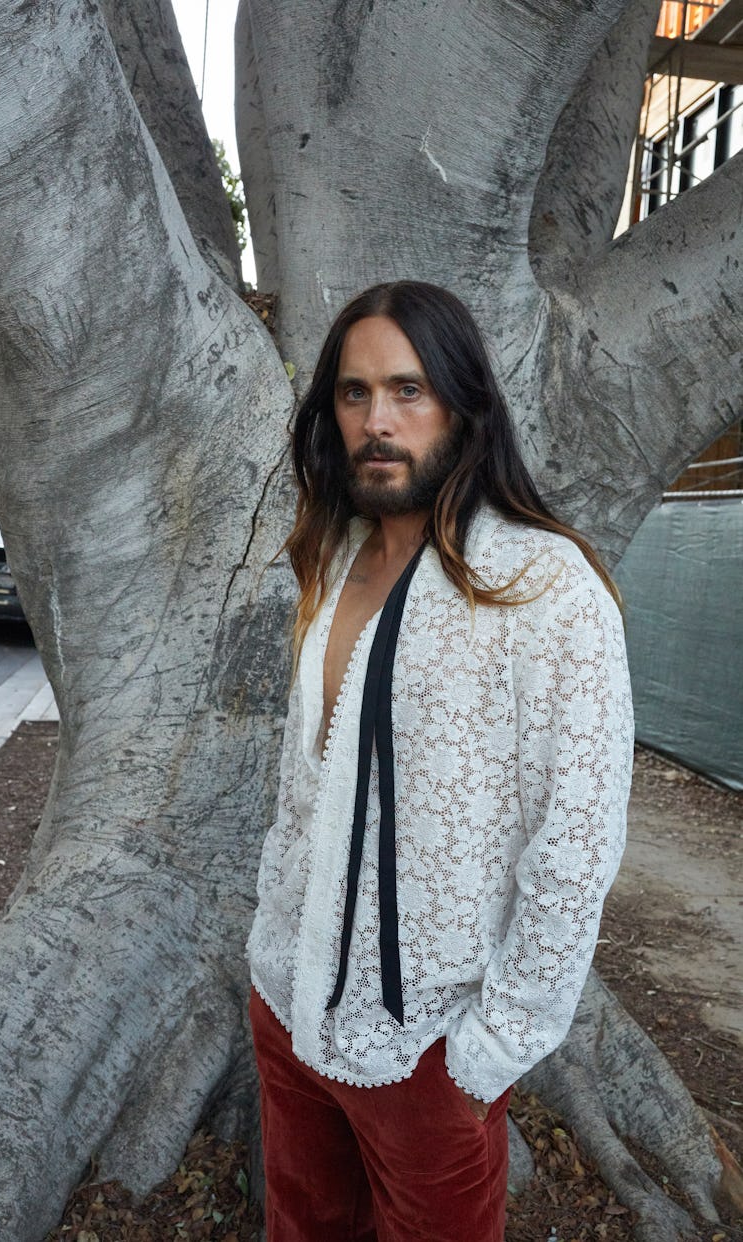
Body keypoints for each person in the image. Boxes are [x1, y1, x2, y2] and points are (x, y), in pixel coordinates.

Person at [247, 280, 634, 1241]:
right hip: (288, 1010)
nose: (378, 421)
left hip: (429, 1049)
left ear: (463, 405)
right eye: (353, 393)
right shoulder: (333, 557)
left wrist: (486, 1052)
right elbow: (306, 790)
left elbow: (577, 842)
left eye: (409, 391)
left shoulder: (542, 585)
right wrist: (270, 961)